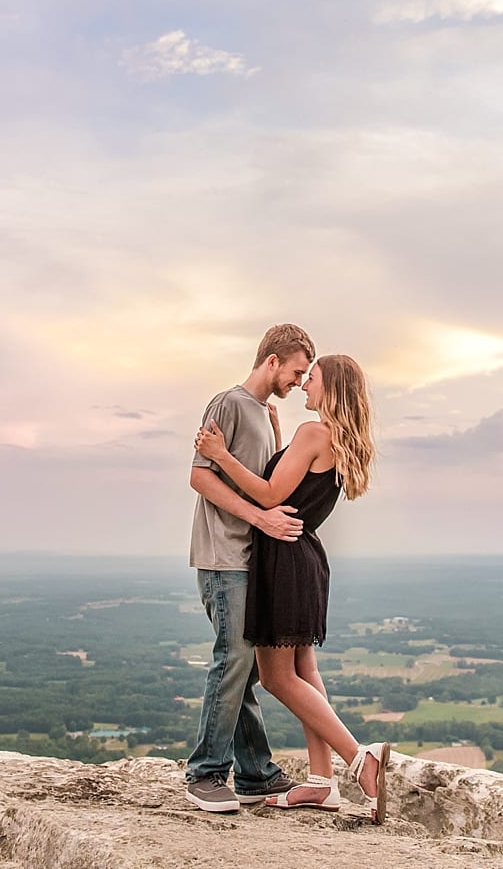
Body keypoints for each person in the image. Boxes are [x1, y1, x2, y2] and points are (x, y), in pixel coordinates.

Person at [194, 353, 391, 824]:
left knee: (279, 677)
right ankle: (323, 783)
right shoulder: (340, 441)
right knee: (305, 670)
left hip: (281, 563)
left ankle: (360, 761)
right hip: (305, 559)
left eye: (313, 379)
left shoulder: (314, 433)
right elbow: (291, 479)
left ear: (333, 387)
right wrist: (278, 437)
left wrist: (220, 456)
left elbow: (268, 494)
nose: (305, 386)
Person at [183, 324, 314, 814]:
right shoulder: (230, 403)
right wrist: (259, 517)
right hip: (223, 557)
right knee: (234, 659)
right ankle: (207, 773)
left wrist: (278, 435)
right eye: (297, 371)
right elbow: (200, 475)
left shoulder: (261, 412)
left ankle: (255, 772)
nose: (301, 382)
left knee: (247, 668)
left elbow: (265, 480)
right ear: (272, 360)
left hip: (248, 559)